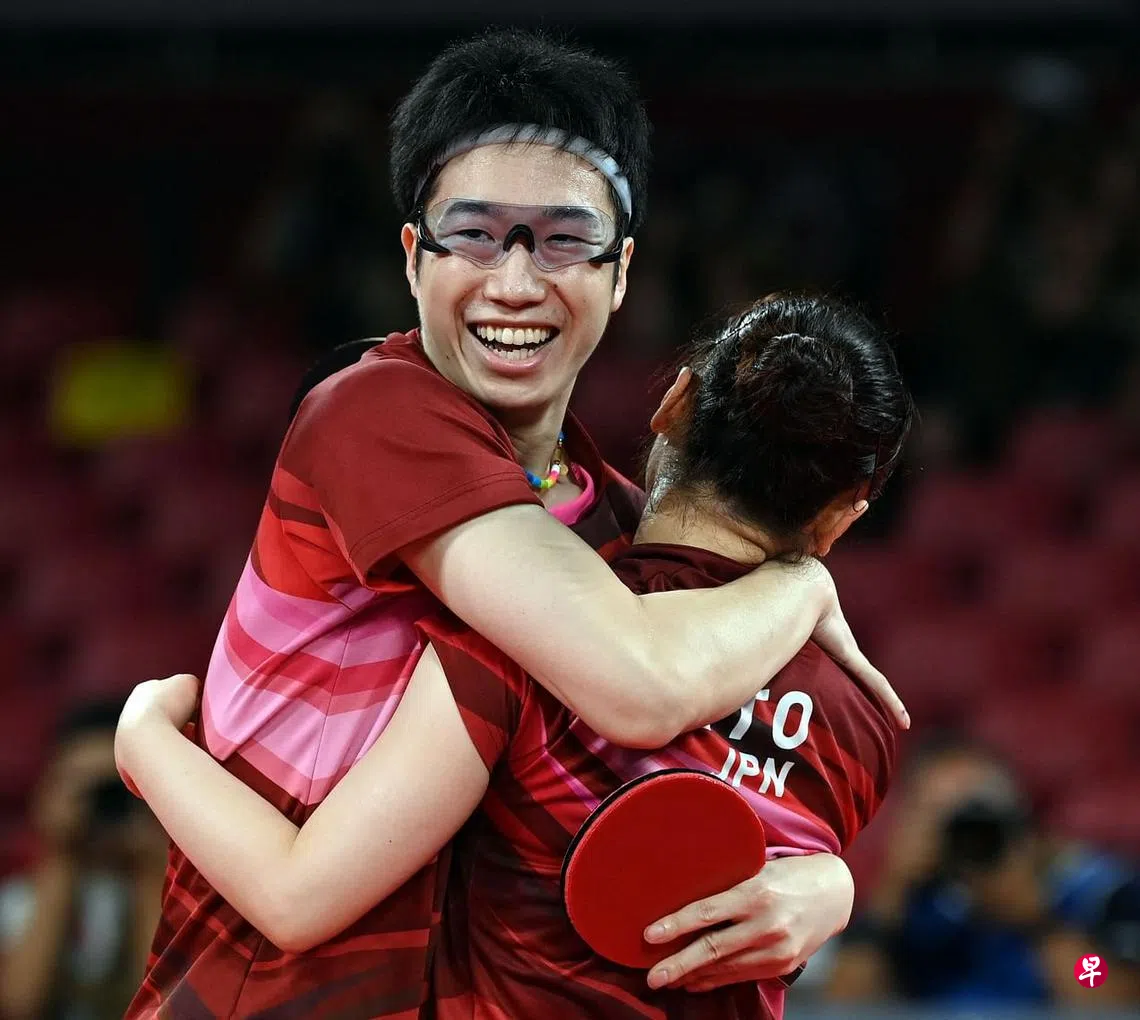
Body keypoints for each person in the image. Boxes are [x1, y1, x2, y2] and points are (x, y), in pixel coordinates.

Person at [123, 29, 905, 1018]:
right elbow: (639, 687)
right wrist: (803, 580)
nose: (516, 283)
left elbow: (691, 774)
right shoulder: (373, 413)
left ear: (621, 272)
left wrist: (824, 884)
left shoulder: (610, 527)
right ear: (414, 258)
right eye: (475, 234)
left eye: (564, 240)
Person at [825, 736, 1140, 1009]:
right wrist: (890, 895)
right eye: (942, 817)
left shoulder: (1098, 892)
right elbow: (844, 1007)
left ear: (1018, 812)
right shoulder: (913, 904)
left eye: (975, 812)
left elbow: (1104, 998)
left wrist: (1038, 921)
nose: (965, 834)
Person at [0, 701, 168, 1020]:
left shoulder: (169, 896)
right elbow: (20, 1005)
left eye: (116, 789)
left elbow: (164, 1006)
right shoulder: (16, 898)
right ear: (46, 792)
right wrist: (62, 855)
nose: (102, 805)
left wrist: (150, 865)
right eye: (85, 790)